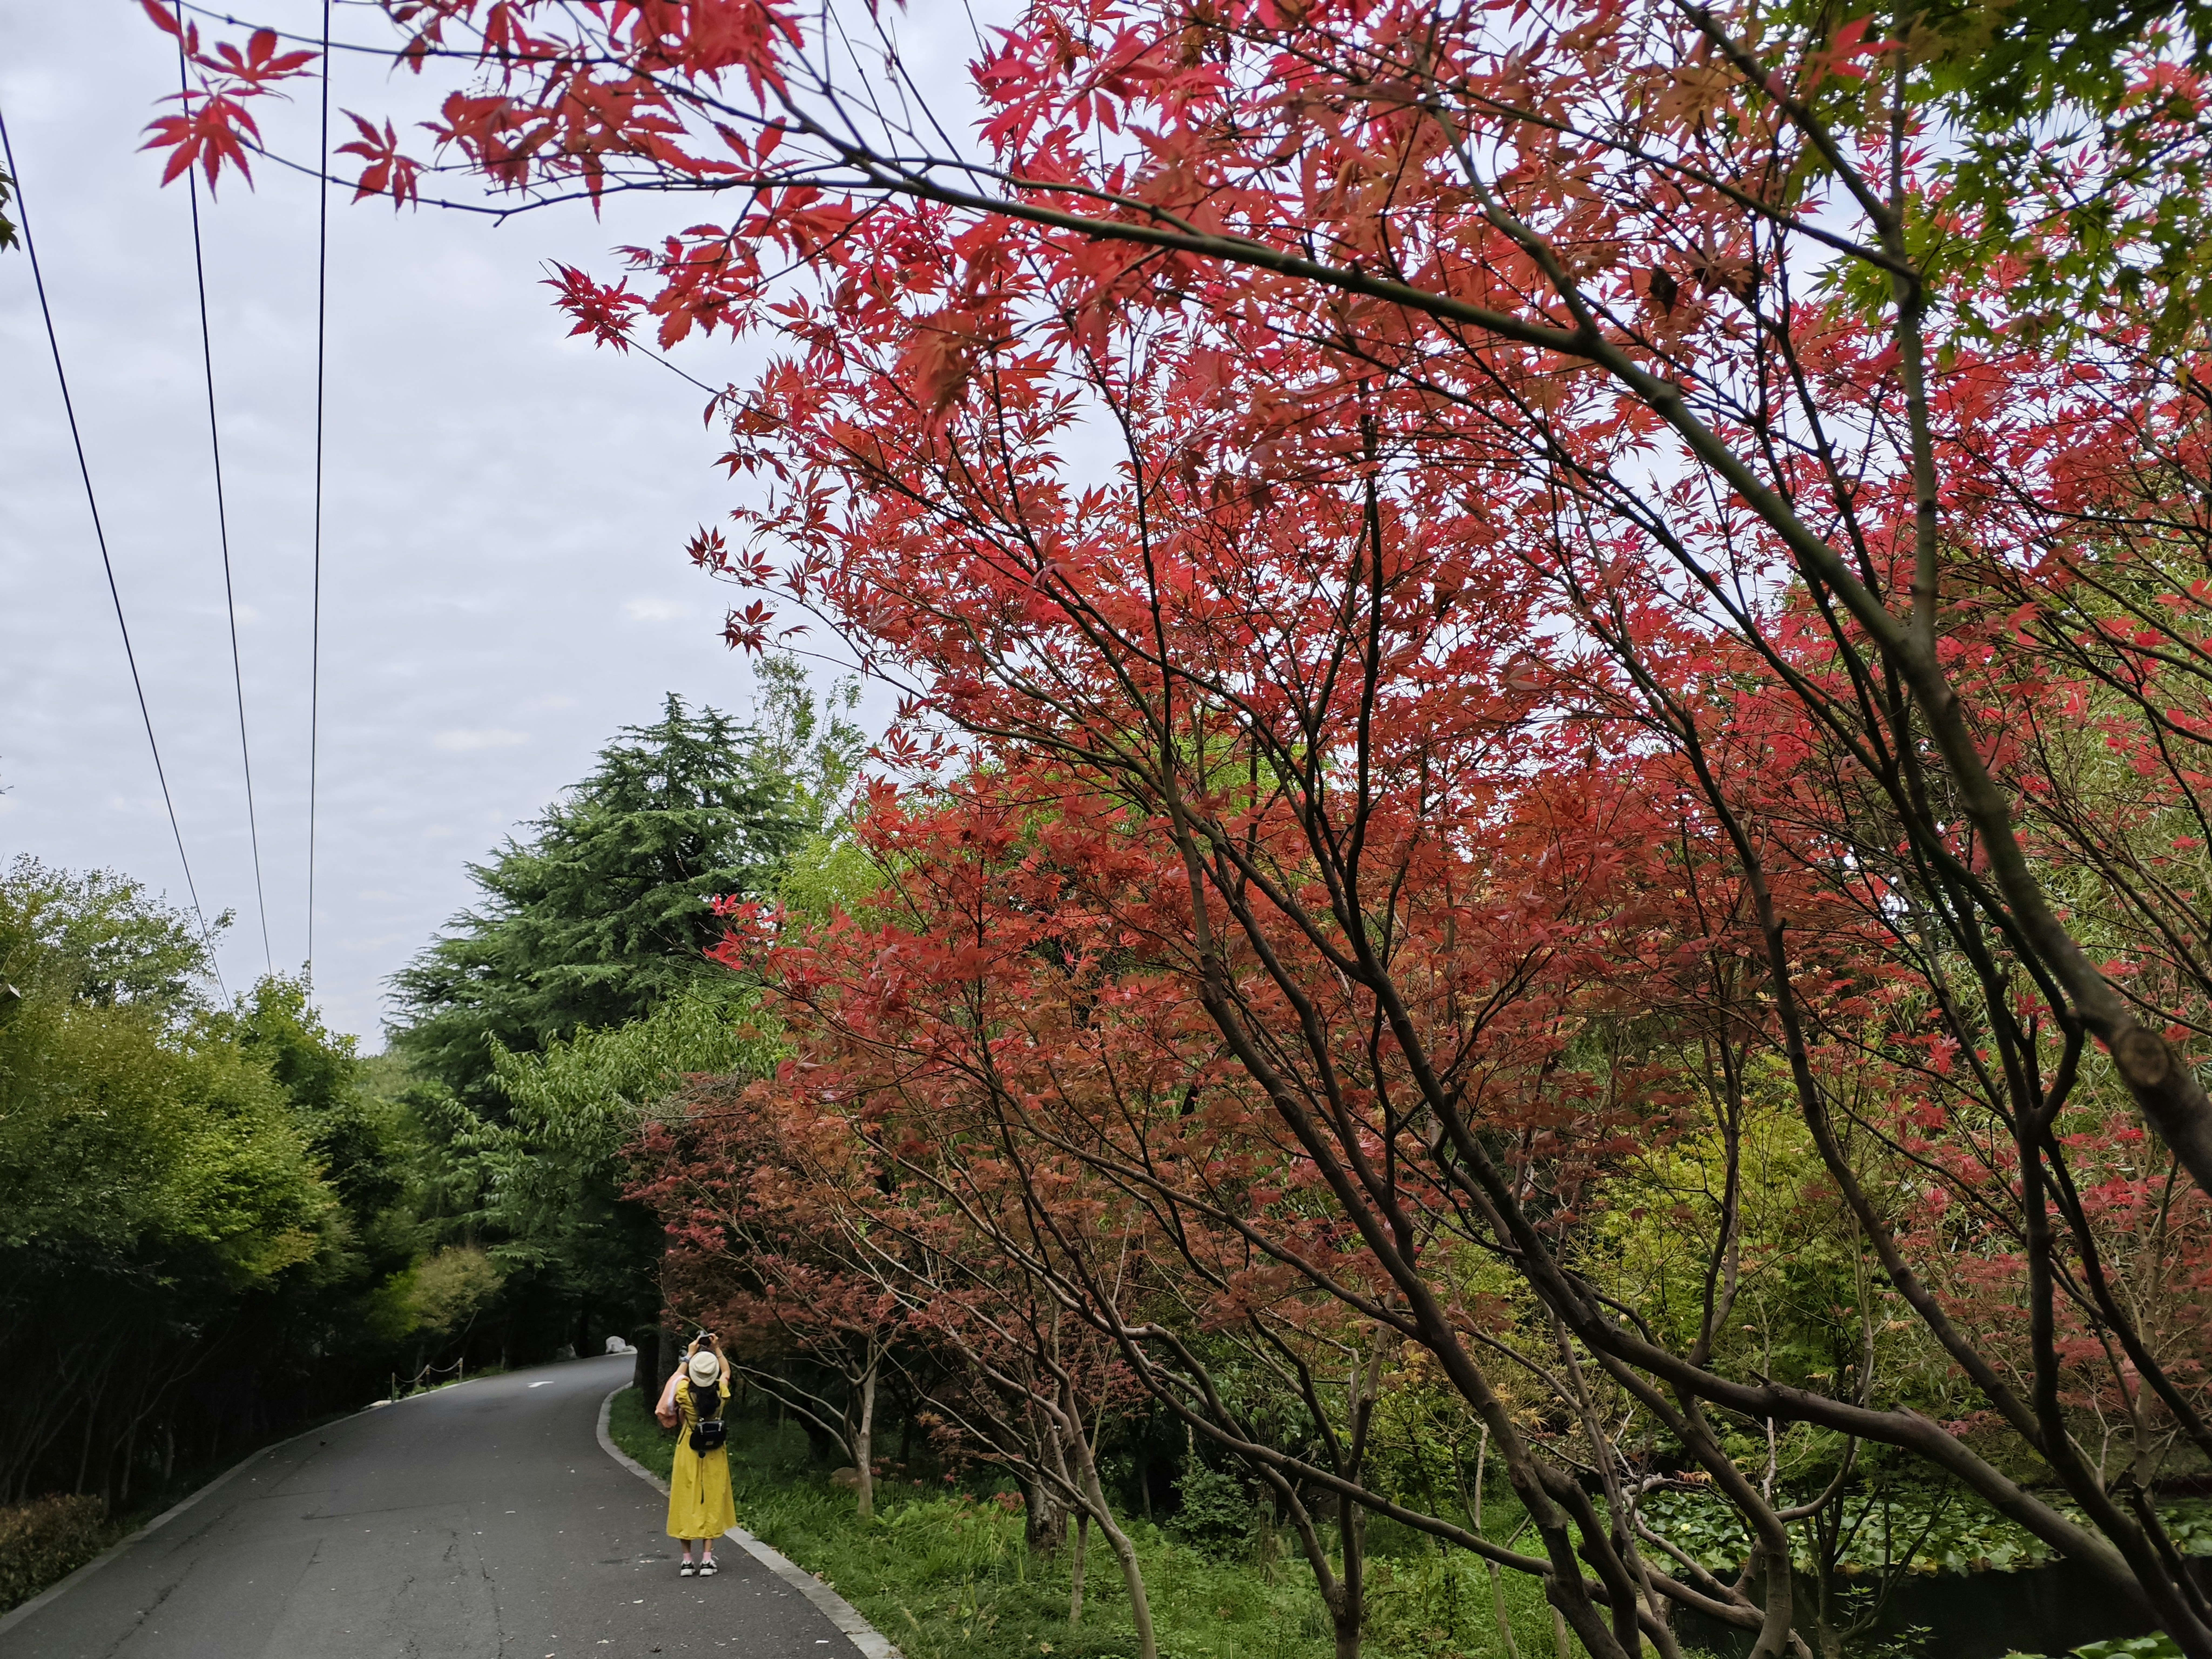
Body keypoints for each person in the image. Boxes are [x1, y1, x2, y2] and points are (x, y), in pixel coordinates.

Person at [656, 1331, 736, 1576]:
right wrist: (717, 1349)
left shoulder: (683, 1391)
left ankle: (687, 1561)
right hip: (715, 1451)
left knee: (686, 1499)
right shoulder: (722, 1391)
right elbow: (727, 1372)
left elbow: (675, 1379)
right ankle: (708, 1559)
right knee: (711, 1498)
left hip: (689, 1448)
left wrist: (689, 1356)